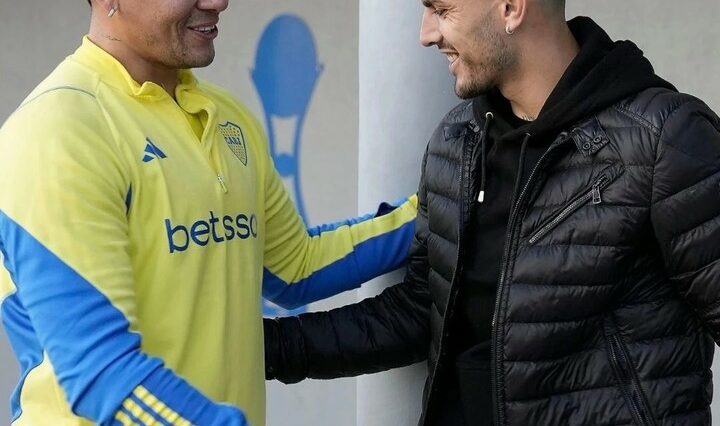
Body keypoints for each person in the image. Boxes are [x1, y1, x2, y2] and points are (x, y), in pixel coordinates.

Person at [264, 0, 720, 425]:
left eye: (442, 10)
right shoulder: (456, 140)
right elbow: (420, 310)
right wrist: (258, 349)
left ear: (511, 8)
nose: (426, 34)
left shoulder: (664, 138)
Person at [0, 0, 418, 424]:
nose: (217, 2)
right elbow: (101, 372)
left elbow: (296, 267)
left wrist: (433, 214)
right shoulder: (56, 132)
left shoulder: (227, 117)